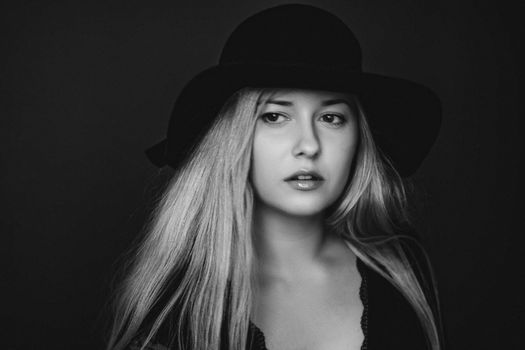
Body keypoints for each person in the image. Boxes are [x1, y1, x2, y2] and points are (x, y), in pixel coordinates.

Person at [107, 4, 444, 350]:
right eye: (274, 117)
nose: (309, 145)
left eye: (331, 118)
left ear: (359, 136)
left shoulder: (401, 269)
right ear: (233, 138)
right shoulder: (175, 315)